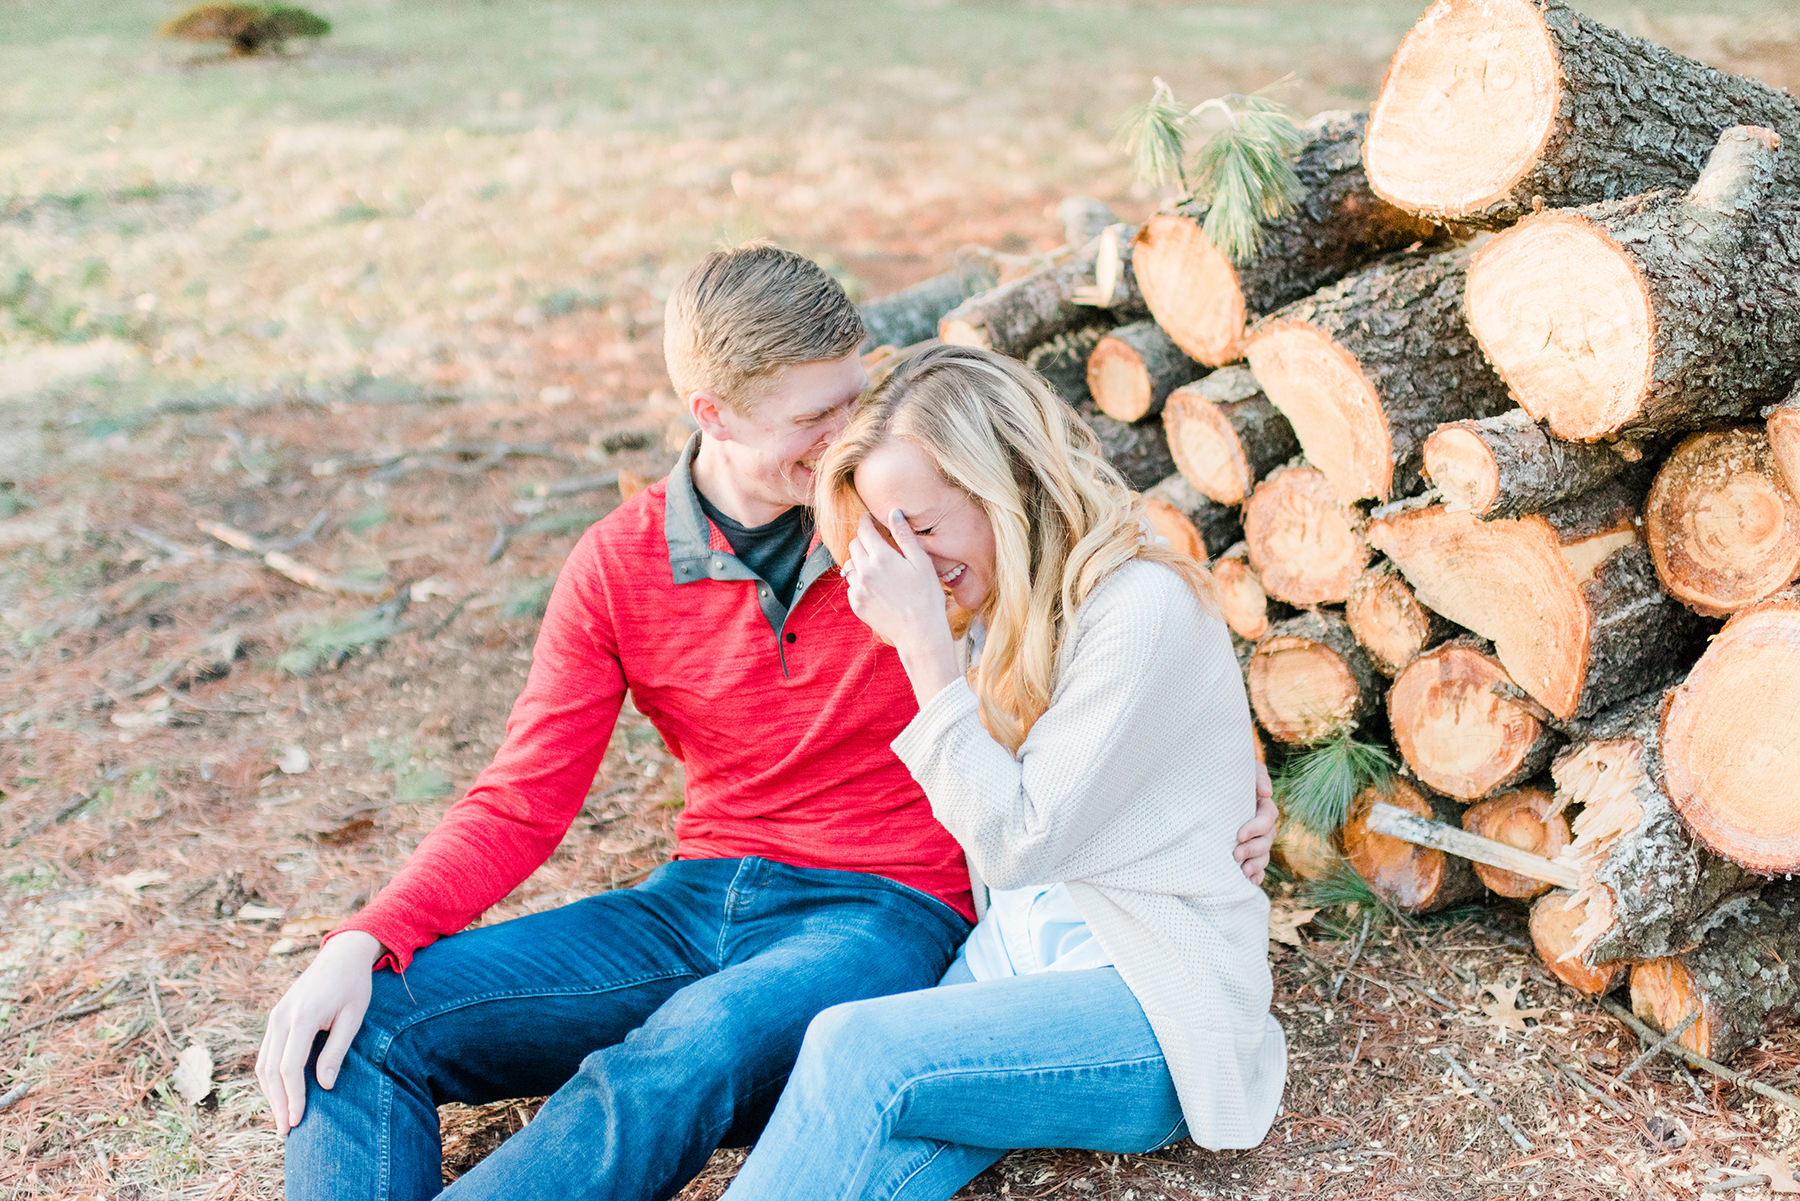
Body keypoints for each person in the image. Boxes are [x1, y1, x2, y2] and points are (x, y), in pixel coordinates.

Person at [254, 244, 1278, 1201]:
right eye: (815, 418)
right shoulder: (619, 565)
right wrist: (365, 935)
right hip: (698, 895)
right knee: (363, 1019)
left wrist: (1234, 775)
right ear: (717, 414)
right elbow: (522, 796)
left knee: (683, 1046)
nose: (847, 435)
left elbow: (1094, 592)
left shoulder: (905, 526)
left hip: (882, 907)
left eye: (856, 396)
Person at [720, 343, 1287, 1201]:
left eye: (924, 524)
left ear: (1010, 484)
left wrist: (926, 654)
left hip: (1148, 1008)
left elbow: (1019, 842)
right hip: (1016, 968)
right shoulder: (994, 608)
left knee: (855, 1049)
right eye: (886, 532)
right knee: (858, 1163)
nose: (908, 560)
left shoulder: (1135, 609)